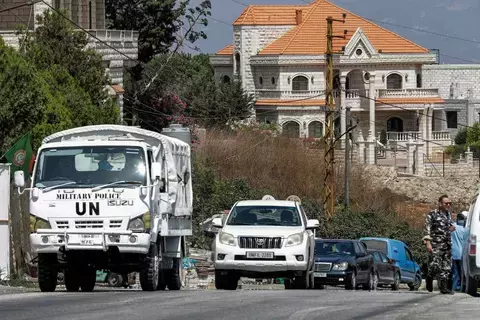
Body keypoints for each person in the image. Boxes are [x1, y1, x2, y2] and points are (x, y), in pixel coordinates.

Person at [423, 194, 455, 294]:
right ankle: (429, 277)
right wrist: (428, 242)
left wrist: (451, 228)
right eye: (446, 203)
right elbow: (427, 228)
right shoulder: (433, 214)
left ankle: (443, 288)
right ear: (440, 204)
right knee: (434, 264)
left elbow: (448, 226)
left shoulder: (448, 214)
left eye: (450, 203)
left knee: (446, 266)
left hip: (447, 244)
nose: (448, 205)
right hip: (436, 244)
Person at [451, 211, 467, 291]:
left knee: (455, 271)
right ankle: (461, 286)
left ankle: (453, 287)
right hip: (462, 254)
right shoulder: (466, 229)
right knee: (462, 271)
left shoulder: (453, 226)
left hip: (454, 253)